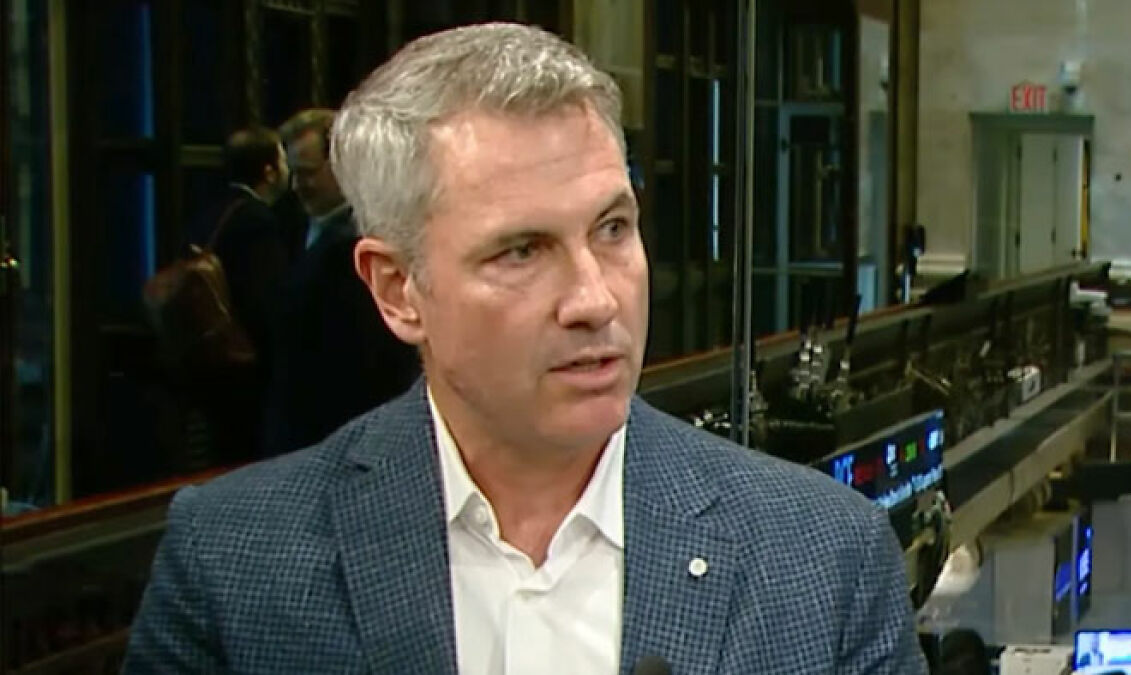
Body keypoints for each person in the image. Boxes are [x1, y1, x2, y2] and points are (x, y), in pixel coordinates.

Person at [123, 23, 925, 674]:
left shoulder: (823, 559)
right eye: (521, 251)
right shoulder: (234, 562)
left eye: (612, 229)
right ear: (398, 289)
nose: (594, 298)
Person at [259, 108, 421, 456]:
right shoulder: (283, 225)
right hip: (288, 428)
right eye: (294, 175)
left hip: (342, 432)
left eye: (308, 173)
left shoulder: (370, 241)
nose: (299, 186)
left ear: (343, 168)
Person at [186, 127, 290, 462]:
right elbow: (266, 303)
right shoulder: (256, 221)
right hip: (244, 368)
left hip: (207, 359)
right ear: (269, 171)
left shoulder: (210, 211)